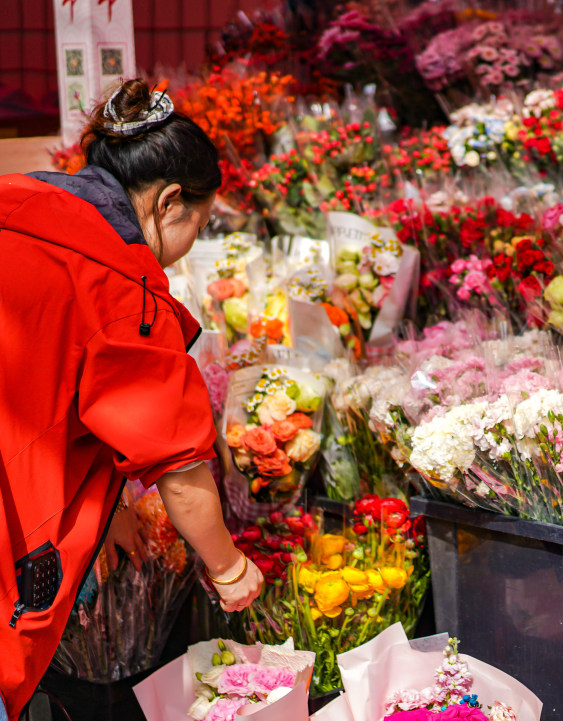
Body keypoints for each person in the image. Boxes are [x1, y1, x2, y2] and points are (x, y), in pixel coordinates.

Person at [0, 79, 264, 720]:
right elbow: (177, 464)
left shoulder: (18, 201)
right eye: (196, 229)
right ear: (171, 201)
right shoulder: (120, 286)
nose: (183, 252)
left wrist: (103, 497)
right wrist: (230, 570)